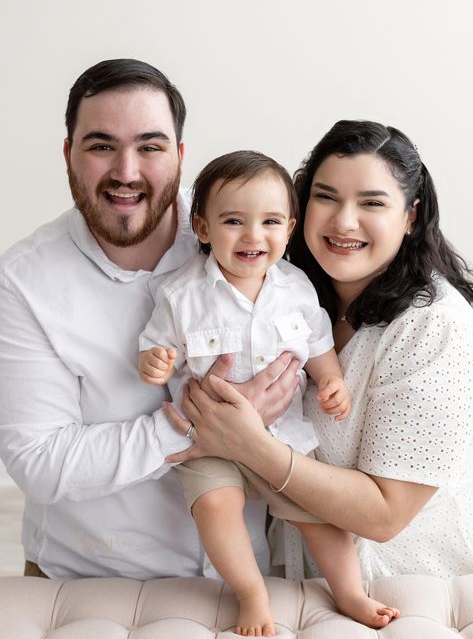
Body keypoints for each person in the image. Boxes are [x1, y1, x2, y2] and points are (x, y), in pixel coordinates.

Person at [0, 58, 298, 580]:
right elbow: (42, 464)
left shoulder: (244, 232)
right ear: (68, 155)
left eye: (150, 146)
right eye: (100, 145)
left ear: (180, 156)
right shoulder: (23, 280)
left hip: (252, 576)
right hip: (89, 584)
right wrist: (203, 428)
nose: (126, 172)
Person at [165, 120, 473, 592]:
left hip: (405, 587)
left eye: (371, 203)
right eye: (326, 197)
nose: (344, 221)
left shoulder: (434, 325)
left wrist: (248, 442)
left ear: (410, 216)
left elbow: (387, 514)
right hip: (295, 579)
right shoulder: (289, 289)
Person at [138, 150, 392, 635]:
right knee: (214, 507)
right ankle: (252, 594)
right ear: (204, 228)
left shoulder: (295, 288)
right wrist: (154, 363)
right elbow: (154, 347)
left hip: (281, 438)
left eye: (270, 221)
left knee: (320, 513)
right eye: (234, 221)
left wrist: (333, 379)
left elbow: (316, 344)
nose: (254, 236)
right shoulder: (180, 295)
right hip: (210, 441)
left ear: (290, 228)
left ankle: (351, 593)